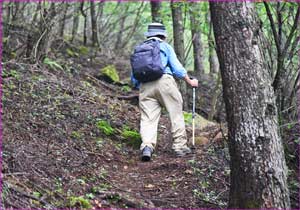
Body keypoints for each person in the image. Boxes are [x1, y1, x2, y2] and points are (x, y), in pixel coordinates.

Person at [131, 23, 198, 161]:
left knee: (148, 119)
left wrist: (142, 88)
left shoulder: (139, 49)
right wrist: (189, 81)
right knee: (176, 113)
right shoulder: (165, 46)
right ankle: (179, 146)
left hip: (145, 86)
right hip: (164, 82)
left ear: (148, 35)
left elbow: (134, 77)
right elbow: (177, 69)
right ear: (163, 35)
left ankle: (147, 147)